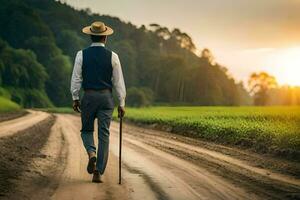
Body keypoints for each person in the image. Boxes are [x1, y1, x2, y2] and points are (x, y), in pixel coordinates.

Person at [70, 21, 126, 183]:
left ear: (90, 36)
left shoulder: (81, 54)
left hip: (89, 97)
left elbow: (76, 78)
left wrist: (75, 97)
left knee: (86, 130)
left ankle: (91, 153)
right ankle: (98, 171)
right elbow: (118, 82)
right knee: (104, 134)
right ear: (105, 37)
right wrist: (121, 103)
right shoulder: (113, 56)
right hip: (106, 98)